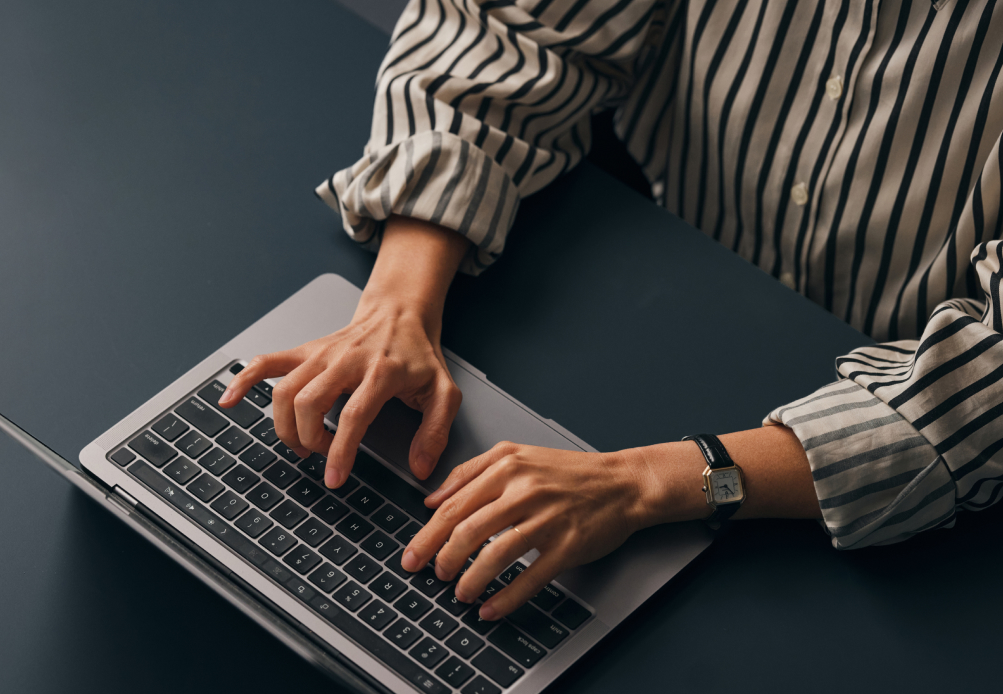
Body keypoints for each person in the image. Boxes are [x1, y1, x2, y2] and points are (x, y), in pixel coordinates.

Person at [218, 0, 1003, 621]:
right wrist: (394, 306)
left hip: (887, 507)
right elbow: (512, 27)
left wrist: (642, 485)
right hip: (662, 294)